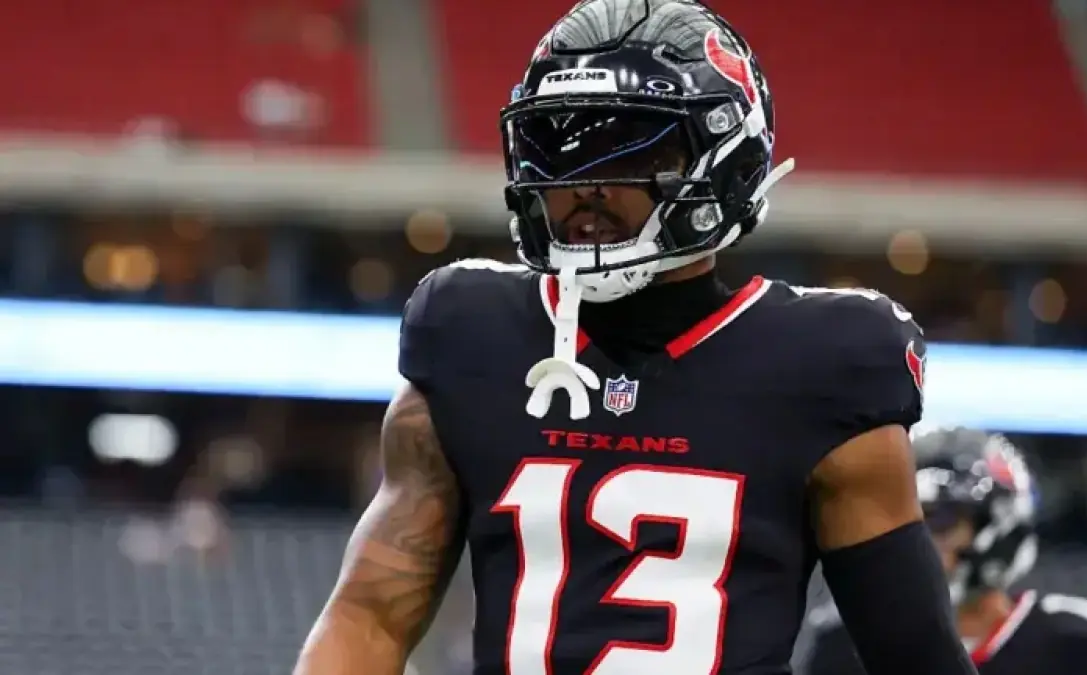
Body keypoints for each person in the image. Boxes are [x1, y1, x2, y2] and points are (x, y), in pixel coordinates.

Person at [293, 1, 976, 674]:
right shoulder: (471, 333)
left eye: (630, 146)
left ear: (723, 159)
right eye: (558, 148)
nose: (583, 186)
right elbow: (369, 617)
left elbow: (914, 657)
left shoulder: (824, 364)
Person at [803, 427, 1087, 675]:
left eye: (939, 520)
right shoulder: (844, 644)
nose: (913, 540)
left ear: (998, 527)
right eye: (901, 521)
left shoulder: (1077, 644)